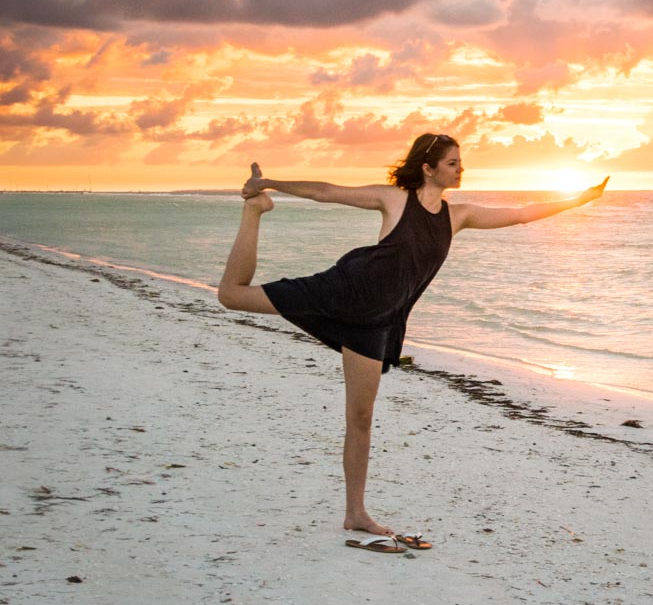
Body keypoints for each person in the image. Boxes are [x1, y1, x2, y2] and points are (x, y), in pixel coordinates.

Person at [217, 133, 607, 549]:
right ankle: (255, 212)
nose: (461, 169)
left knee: (361, 418)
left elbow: (521, 214)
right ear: (428, 167)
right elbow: (328, 192)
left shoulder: (458, 216)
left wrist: (578, 201)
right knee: (231, 296)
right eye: (453, 162)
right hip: (345, 290)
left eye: (460, 162)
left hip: (376, 322)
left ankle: (355, 512)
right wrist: (268, 184)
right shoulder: (394, 200)